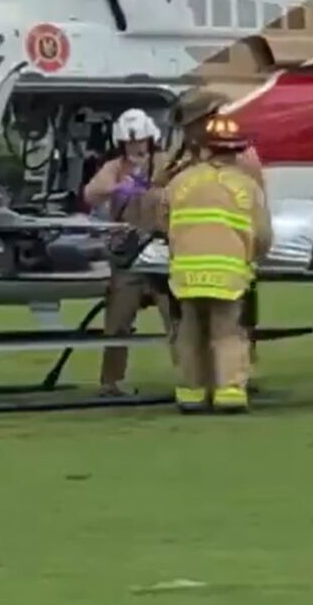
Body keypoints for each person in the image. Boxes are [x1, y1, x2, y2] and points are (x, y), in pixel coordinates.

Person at [162, 114, 272, 414]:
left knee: (190, 332)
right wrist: (253, 257)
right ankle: (229, 393)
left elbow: (163, 222)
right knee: (227, 333)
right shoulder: (247, 187)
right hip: (228, 274)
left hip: (185, 273)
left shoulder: (180, 183)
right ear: (236, 152)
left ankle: (191, 394)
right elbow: (262, 236)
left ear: (205, 149)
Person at [82, 108, 175, 397]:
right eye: (129, 143)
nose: (135, 148)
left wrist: (155, 185)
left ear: (151, 139)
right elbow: (90, 193)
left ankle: (192, 375)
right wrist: (119, 188)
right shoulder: (114, 167)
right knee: (117, 322)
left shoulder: (166, 163)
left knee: (177, 319)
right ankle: (110, 382)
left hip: (162, 251)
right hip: (129, 257)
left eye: (140, 142)